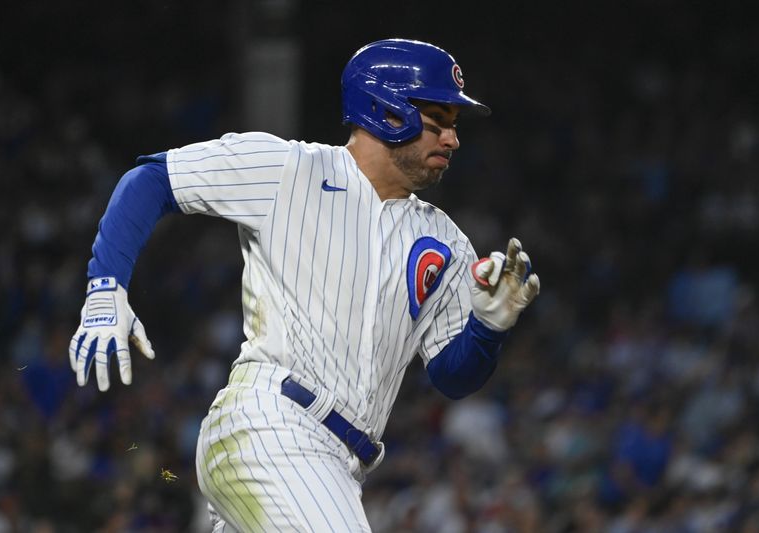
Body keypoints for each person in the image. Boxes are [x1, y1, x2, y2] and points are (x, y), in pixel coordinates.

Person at [69, 38, 540, 532]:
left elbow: (451, 375)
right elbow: (153, 180)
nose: (452, 140)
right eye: (438, 121)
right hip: (270, 426)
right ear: (387, 110)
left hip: (339, 465)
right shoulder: (290, 169)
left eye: (454, 126)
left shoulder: (445, 241)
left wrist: (488, 325)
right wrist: (106, 286)